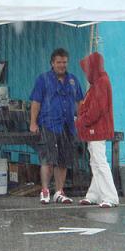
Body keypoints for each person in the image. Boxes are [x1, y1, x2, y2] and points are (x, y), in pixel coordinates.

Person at [29, 48, 84, 204]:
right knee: (48, 159)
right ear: (52, 63)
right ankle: (45, 190)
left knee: (64, 160)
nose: (62, 65)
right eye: (59, 62)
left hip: (68, 126)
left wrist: (80, 120)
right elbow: (36, 102)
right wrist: (33, 123)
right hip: (49, 124)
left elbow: (80, 102)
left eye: (64, 62)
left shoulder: (73, 80)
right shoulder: (43, 79)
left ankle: (59, 191)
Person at [75, 52, 119, 208]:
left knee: (99, 161)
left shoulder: (100, 83)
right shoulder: (100, 81)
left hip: (96, 129)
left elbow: (96, 109)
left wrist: (81, 120)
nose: (86, 72)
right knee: (95, 161)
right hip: (96, 128)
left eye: (87, 69)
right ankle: (94, 194)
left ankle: (110, 196)